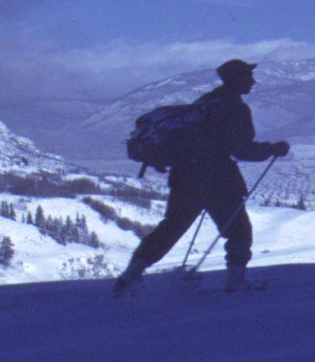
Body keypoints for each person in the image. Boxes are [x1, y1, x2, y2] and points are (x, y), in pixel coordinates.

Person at [113, 59, 290, 294]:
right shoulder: (234, 108)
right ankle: (236, 282)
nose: (252, 81)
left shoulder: (203, 104)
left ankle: (131, 275)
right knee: (238, 230)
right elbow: (241, 149)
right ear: (235, 79)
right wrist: (272, 149)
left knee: (171, 229)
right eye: (247, 76)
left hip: (184, 177)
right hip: (219, 179)